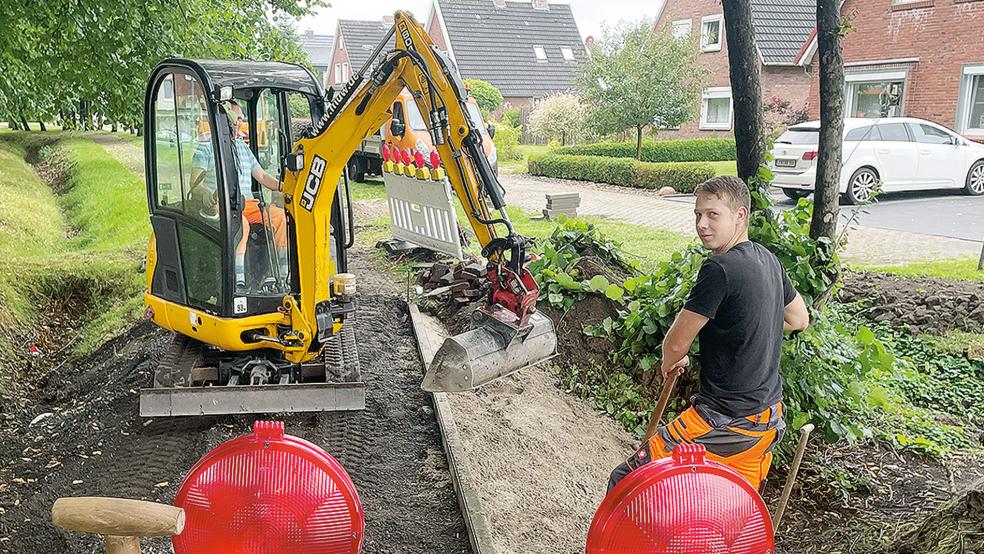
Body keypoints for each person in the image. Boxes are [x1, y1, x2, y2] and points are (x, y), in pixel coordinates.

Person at [607, 175, 810, 493]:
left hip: (725, 421)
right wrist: (748, 327)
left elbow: (676, 343)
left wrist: (671, 361)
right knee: (722, 504)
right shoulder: (768, 259)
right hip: (766, 421)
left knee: (627, 481)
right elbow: (798, 319)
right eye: (698, 214)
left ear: (740, 215)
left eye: (713, 214)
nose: (702, 224)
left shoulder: (720, 269)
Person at [191, 100, 289, 289]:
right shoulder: (206, 149)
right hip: (222, 205)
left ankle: (281, 277)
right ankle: (238, 281)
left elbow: (262, 176)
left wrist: (286, 187)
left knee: (280, 218)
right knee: (240, 224)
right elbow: (195, 184)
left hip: (248, 204)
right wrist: (205, 193)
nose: (238, 124)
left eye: (241, 119)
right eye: (235, 119)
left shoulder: (243, 148)